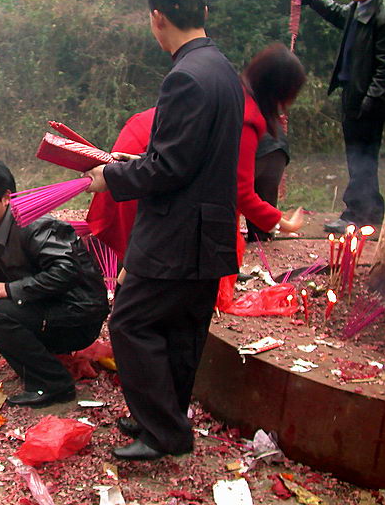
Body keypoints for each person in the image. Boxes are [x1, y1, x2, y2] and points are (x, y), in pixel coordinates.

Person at [85, 0, 244, 460]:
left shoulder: (185, 77)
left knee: (131, 323)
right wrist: (134, 164)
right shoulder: (222, 71)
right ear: (204, 13)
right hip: (209, 228)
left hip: (176, 231)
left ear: (157, 17)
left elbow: (170, 167)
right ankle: (164, 417)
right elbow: (190, 158)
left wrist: (111, 178)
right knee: (182, 328)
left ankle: (164, 433)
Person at [87, 44, 306, 310]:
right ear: (282, 92)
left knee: (138, 263)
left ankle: (120, 320)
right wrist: (283, 223)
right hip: (150, 172)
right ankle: (128, 326)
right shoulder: (246, 117)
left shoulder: (225, 87)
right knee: (147, 273)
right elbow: (240, 192)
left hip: (142, 158)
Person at [0, 158, 109, 407]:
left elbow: (66, 271)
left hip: (78, 316)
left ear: (5, 197)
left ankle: (53, 384)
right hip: (53, 304)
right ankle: (43, 358)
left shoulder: (37, 226)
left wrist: (10, 289)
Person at [293, 0, 385, 234]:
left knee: (362, 157)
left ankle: (358, 215)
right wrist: (311, 0)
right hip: (354, 93)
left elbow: (384, 66)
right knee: (358, 156)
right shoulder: (360, 8)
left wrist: (370, 100)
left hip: (368, 99)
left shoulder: (380, 16)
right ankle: (369, 210)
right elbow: (338, 12)